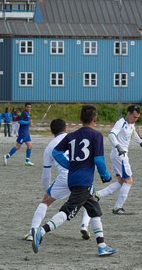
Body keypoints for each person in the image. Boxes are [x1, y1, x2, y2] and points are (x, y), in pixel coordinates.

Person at [31, 105, 117, 256]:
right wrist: (105, 175)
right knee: (68, 210)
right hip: (83, 180)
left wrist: (70, 166)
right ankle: (41, 231)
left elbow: (56, 152)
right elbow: (99, 160)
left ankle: (102, 245)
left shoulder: (71, 135)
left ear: (80, 119)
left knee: (94, 209)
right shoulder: (96, 135)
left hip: (73, 178)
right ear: (95, 119)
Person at [23, 118, 91, 241]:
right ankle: (84, 225)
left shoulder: (50, 146)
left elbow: (46, 174)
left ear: (51, 131)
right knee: (89, 198)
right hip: (81, 175)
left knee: (45, 201)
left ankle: (32, 232)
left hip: (64, 177)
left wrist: (48, 189)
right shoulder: (75, 138)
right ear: (65, 129)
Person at [81, 105, 142, 224]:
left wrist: (141, 143)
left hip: (119, 155)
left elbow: (133, 133)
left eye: (137, 118)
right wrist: (118, 146)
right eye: (134, 117)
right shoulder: (120, 123)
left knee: (121, 182)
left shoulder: (131, 124)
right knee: (129, 180)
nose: (135, 119)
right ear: (128, 113)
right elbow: (111, 134)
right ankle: (118, 207)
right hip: (120, 155)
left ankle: (96, 195)